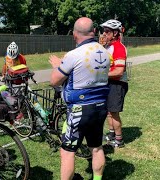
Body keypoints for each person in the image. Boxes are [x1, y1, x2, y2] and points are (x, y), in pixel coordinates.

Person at [49, 17, 111, 180]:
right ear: (94, 32)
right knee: (96, 147)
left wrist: (58, 65)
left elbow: (54, 80)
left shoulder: (73, 54)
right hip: (101, 106)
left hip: (79, 109)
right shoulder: (104, 52)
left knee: (67, 152)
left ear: (74, 34)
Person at [100, 19, 128, 148]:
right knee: (108, 111)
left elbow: (119, 71)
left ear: (115, 33)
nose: (104, 34)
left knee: (114, 112)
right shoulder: (108, 46)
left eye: (107, 31)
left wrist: (99, 75)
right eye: (103, 31)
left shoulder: (118, 48)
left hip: (117, 84)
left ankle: (119, 140)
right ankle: (111, 135)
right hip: (109, 82)